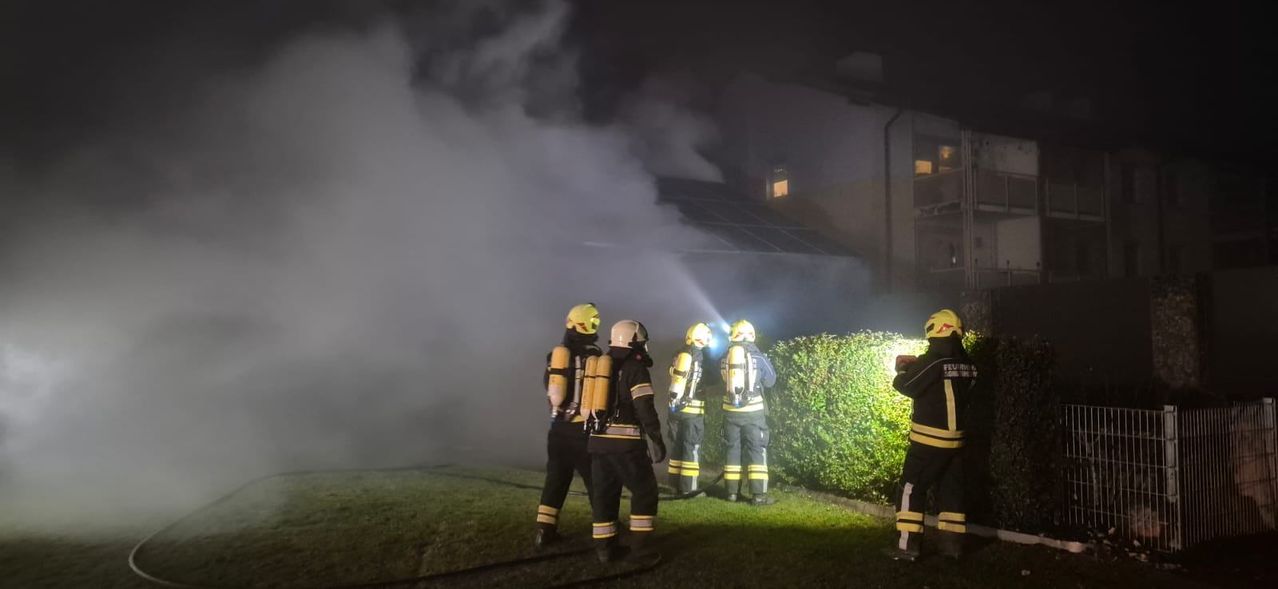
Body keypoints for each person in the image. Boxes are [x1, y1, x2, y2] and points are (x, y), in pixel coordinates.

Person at [885, 309, 978, 562]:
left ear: (935, 333)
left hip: (929, 442)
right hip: (956, 441)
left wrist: (903, 368)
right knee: (952, 493)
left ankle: (907, 547)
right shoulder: (968, 365)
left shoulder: (934, 361)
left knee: (910, 488)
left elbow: (907, 385)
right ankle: (952, 547)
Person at [587, 319, 667, 563]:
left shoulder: (601, 364)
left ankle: (605, 549)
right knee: (645, 491)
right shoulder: (635, 368)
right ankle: (640, 548)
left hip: (597, 442)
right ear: (634, 342)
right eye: (641, 343)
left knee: (604, 494)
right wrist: (656, 437)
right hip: (626, 444)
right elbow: (644, 407)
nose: (644, 347)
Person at [533, 303, 601, 549]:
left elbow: (548, 387)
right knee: (595, 479)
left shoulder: (556, 356)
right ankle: (605, 529)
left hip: (558, 428)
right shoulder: (595, 356)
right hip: (583, 431)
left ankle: (544, 531)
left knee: (555, 480)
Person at [719, 320, 776, 505]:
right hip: (753, 413)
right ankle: (758, 496)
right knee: (756, 451)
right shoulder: (758, 357)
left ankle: (731, 493)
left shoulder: (725, 357)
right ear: (752, 335)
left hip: (730, 412)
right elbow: (770, 381)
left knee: (732, 450)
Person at [666, 322, 714, 494]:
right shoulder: (701, 358)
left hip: (675, 409)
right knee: (691, 448)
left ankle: (673, 484)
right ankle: (689, 488)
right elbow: (710, 380)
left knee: (677, 446)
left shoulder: (679, 353)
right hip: (693, 411)